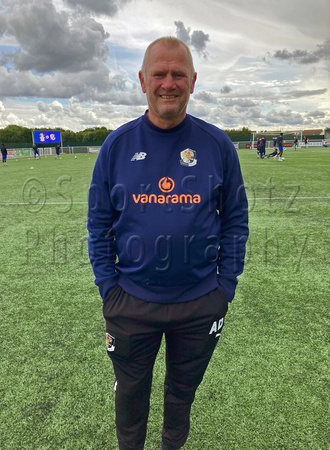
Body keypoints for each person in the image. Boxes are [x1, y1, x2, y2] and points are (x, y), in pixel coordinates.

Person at [88, 36, 249, 450]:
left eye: (178, 74)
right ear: (143, 80)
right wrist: (109, 289)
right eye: (159, 73)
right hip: (130, 305)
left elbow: (235, 221)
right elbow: (98, 224)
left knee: (181, 398)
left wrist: (224, 287)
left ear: (193, 81)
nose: (168, 83)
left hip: (199, 305)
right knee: (129, 398)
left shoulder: (218, 146)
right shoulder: (116, 146)